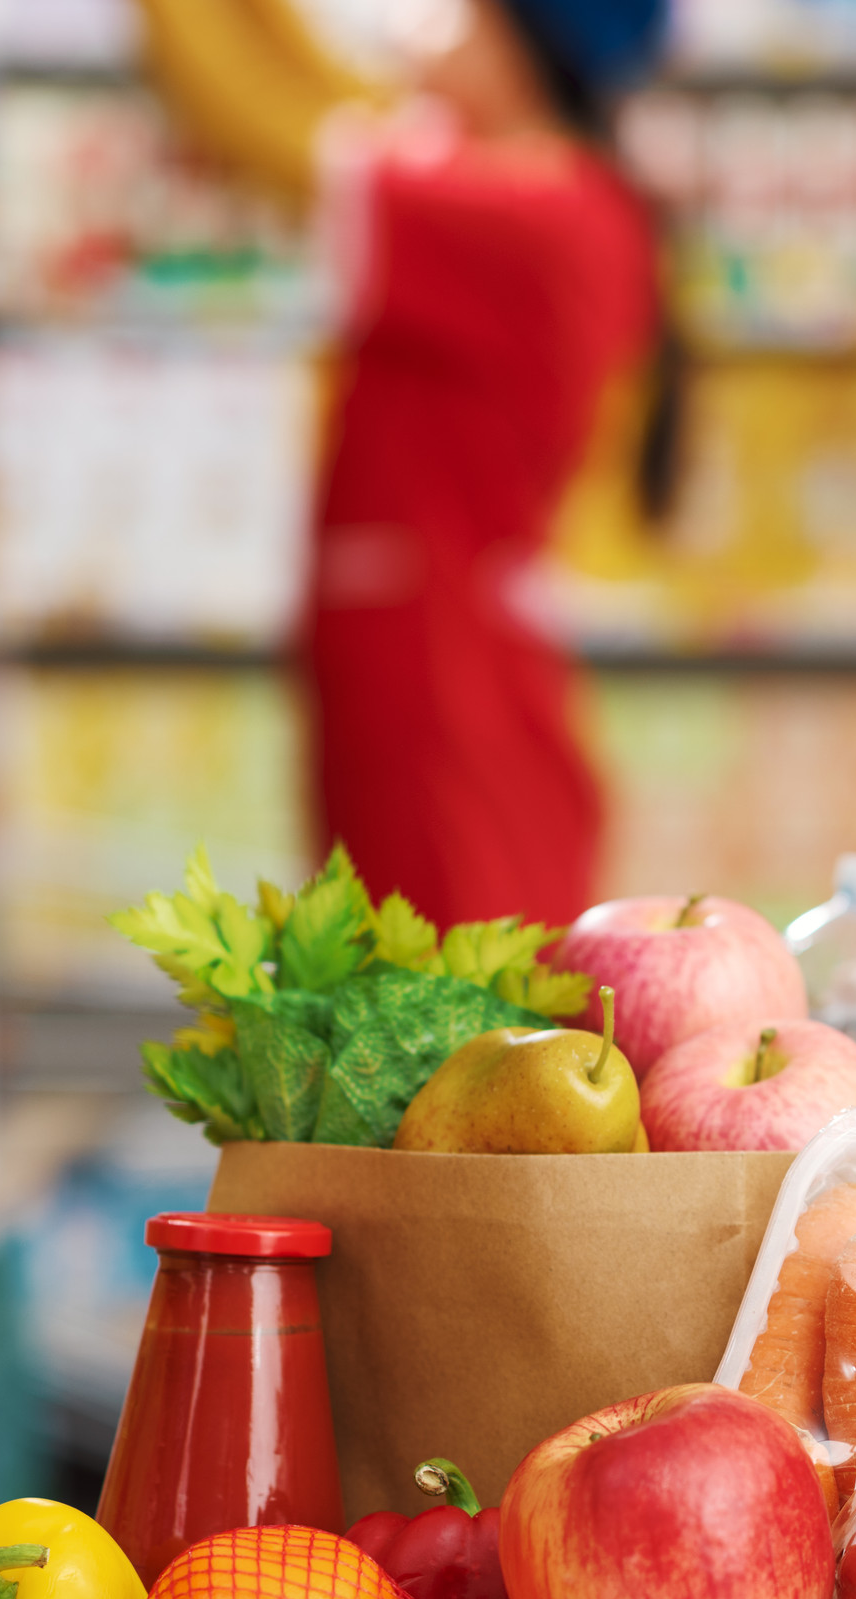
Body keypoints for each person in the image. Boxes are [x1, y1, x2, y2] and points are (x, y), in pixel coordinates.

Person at [304, 0, 670, 927]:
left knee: (445, 965)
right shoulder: (562, 196)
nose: (420, 31)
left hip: (442, 664)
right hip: (438, 640)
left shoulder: (527, 206)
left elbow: (290, 141)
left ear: (524, 44)